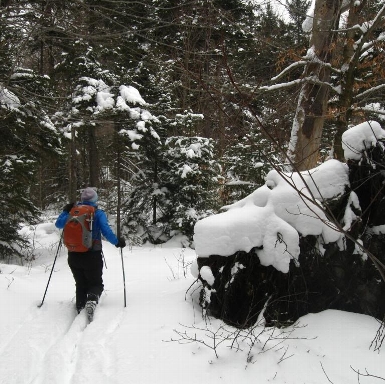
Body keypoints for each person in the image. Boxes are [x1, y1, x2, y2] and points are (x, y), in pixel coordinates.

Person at [55, 187, 126, 316]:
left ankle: (80, 307)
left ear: (82, 199)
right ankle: (92, 300)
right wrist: (117, 242)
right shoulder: (97, 213)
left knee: (80, 283)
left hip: (73, 255)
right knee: (96, 283)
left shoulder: (72, 211)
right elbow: (106, 231)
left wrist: (65, 211)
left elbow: (59, 224)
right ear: (95, 199)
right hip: (92, 255)